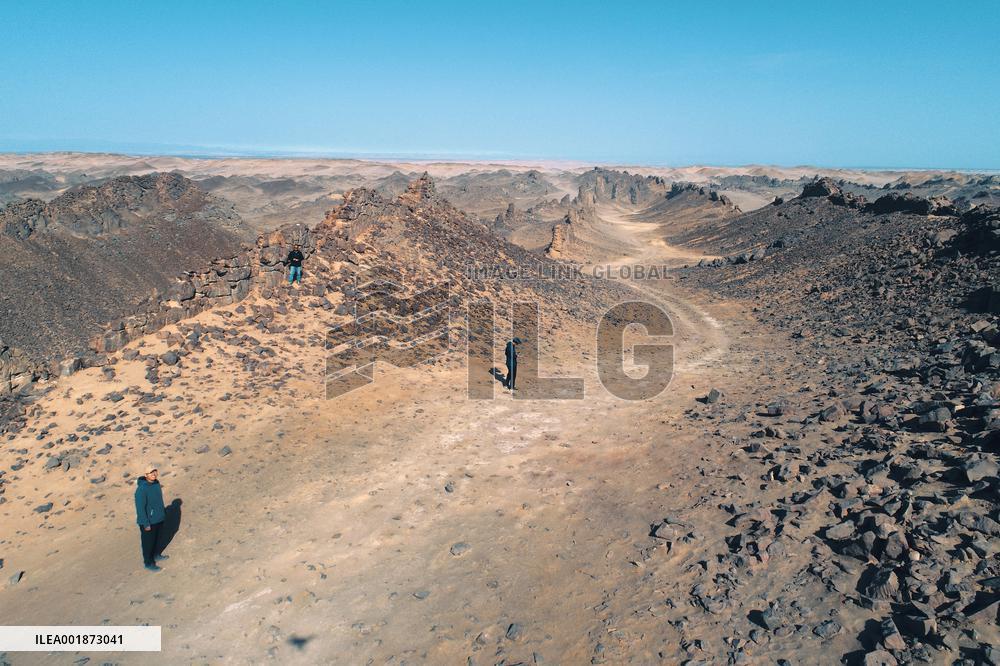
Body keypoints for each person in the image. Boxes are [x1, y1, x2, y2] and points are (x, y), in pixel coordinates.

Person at [135, 464, 169, 572]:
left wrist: (162, 513)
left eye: (155, 471)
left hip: (158, 518)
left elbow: (158, 500)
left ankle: (156, 555)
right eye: (151, 472)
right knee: (148, 543)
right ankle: (148, 563)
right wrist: (146, 523)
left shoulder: (156, 483)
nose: (154, 474)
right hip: (148, 521)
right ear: (146, 475)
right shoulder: (141, 489)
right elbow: (140, 508)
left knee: (157, 539)